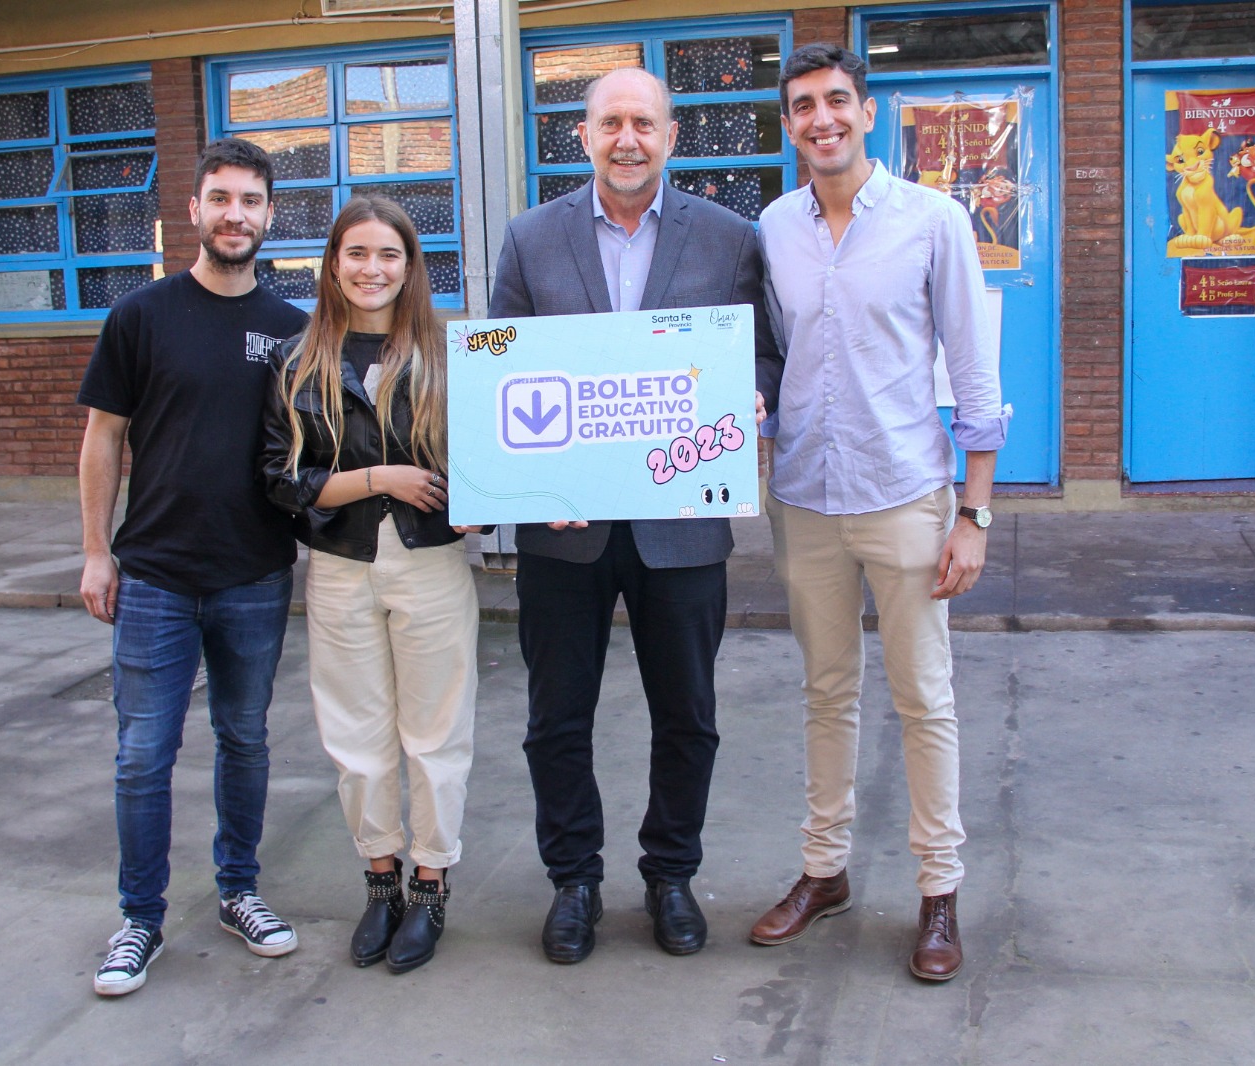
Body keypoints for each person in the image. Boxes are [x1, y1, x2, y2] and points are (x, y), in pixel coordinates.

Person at [489, 66, 781, 964]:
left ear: (670, 136)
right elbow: (504, 368)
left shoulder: (728, 238)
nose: (627, 139)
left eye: (643, 123)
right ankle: (573, 880)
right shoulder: (530, 238)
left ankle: (671, 875)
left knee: (687, 715)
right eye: (610, 122)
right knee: (556, 720)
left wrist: (752, 397)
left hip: (681, 523)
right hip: (564, 529)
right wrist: (527, 483)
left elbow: (765, 354)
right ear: (583, 136)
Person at [748, 43, 1009, 982]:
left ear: (868, 112)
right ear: (790, 125)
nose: (821, 119)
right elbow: (763, 356)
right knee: (826, 693)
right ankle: (825, 871)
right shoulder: (772, 228)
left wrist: (974, 514)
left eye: (836, 101)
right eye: (803, 106)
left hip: (904, 495)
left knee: (923, 698)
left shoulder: (933, 221)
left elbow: (974, 374)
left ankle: (940, 890)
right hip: (804, 497)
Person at [77, 137, 309, 996]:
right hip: (155, 577)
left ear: (269, 214)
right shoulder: (142, 316)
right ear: (193, 210)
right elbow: (102, 439)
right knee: (143, 753)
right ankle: (140, 919)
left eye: (250, 201)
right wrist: (95, 552)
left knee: (244, 739)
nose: (234, 215)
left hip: (255, 573)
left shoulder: (292, 330)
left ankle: (238, 891)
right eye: (220, 198)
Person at [260, 196, 481, 975]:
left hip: (431, 561)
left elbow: (489, 456)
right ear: (332, 263)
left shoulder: (451, 353)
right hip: (341, 564)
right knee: (356, 735)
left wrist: (485, 502)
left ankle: (431, 883)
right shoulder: (298, 358)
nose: (372, 269)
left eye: (389, 254)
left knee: (436, 731)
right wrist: (380, 478)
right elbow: (280, 478)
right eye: (356, 253)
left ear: (410, 266)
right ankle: (381, 881)